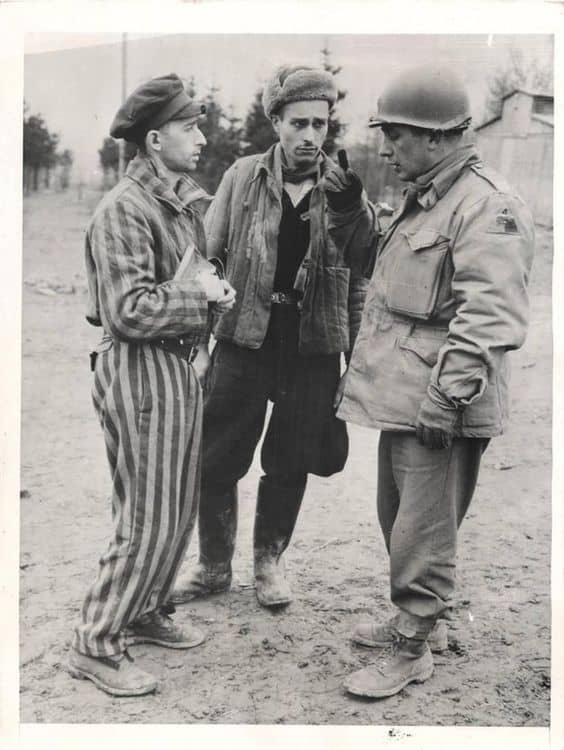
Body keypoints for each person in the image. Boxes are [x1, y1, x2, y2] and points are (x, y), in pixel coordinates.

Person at [336, 65, 535, 699]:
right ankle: (418, 622)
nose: (388, 149)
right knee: (401, 517)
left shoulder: (486, 203)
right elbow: (382, 272)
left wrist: (447, 398)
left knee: (423, 526)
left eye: (395, 136)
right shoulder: (430, 194)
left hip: (439, 399)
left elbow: (490, 314)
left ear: (436, 136)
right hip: (407, 395)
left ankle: (412, 647)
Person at [172, 65, 376, 609]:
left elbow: (364, 272)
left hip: (310, 348)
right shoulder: (243, 176)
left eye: (321, 124)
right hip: (244, 338)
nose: (311, 135)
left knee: (290, 460)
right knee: (215, 457)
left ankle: (268, 566)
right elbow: (206, 258)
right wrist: (197, 341)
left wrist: (353, 362)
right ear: (277, 123)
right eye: (299, 123)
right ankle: (214, 566)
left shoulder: (345, 189)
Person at [68, 73, 236, 697]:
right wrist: (200, 296)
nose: (202, 135)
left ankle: (145, 609)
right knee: (149, 518)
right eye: (191, 127)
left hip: (174, 367)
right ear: (156, 137)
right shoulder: (124, 209)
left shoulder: (172, 202)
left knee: (173, 506)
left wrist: (209, 292)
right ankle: (95, 642)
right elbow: (128, 309)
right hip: (141, 369)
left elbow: (178, 283)